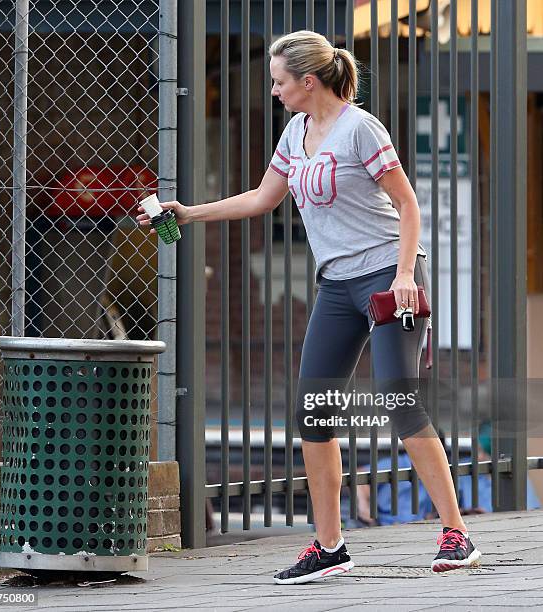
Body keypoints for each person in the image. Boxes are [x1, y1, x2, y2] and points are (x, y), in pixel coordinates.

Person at [137, 30, 481, 584]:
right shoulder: (296, 133)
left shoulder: (360, 130)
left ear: (307, 81)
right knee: (312, 413)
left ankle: (456, 532)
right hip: (337, 286)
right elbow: (261, 199)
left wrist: (402, 276)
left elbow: (408, 204)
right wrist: (188, 212)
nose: (273, 91)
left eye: (278, 82)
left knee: (399, 401)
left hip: (390, 278)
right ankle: (329, 545)